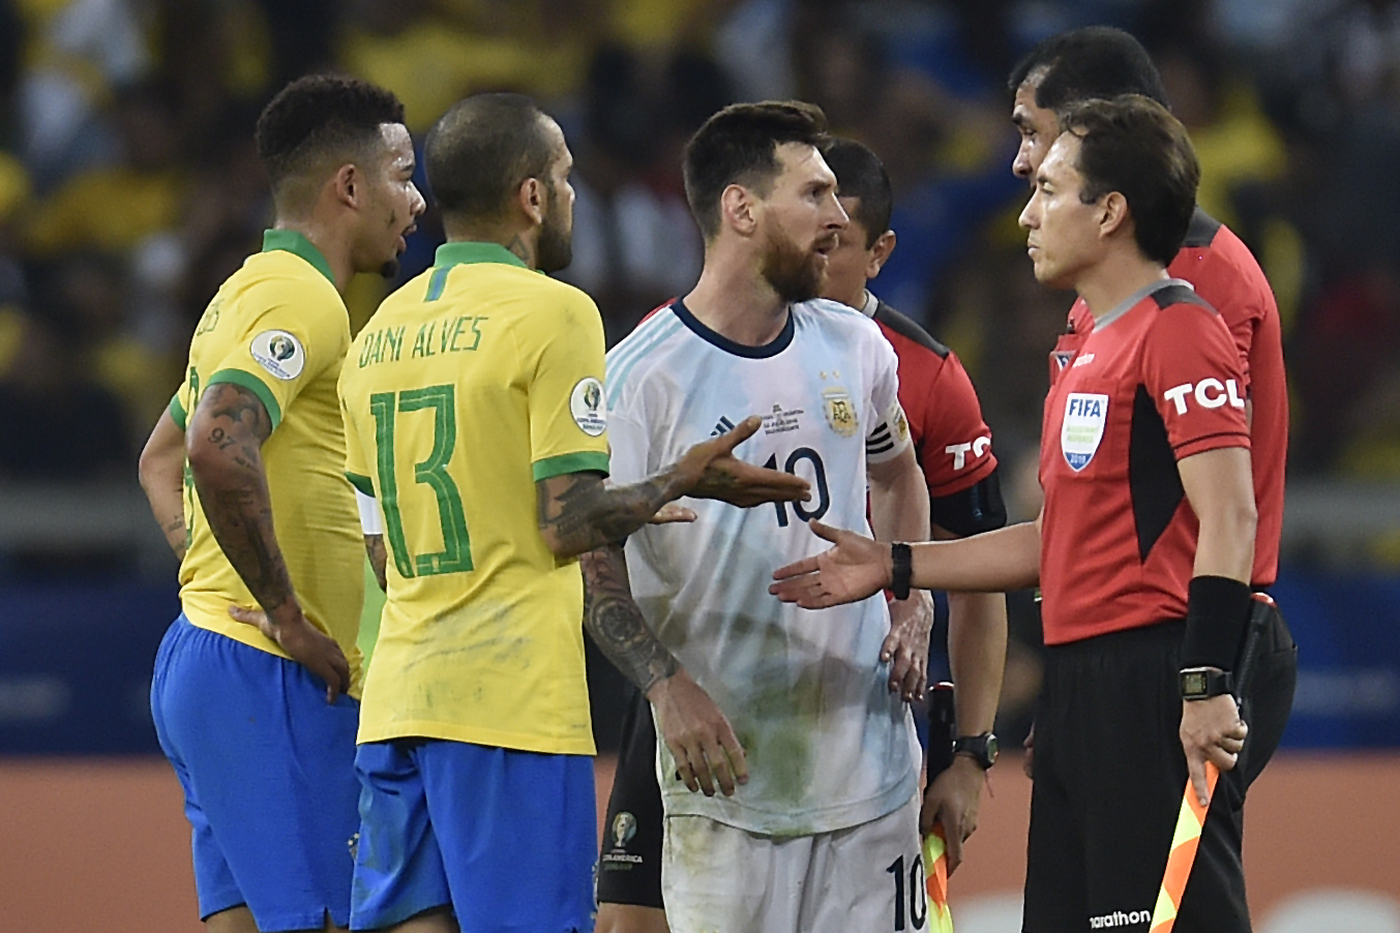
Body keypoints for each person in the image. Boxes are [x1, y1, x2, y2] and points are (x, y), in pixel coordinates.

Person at [773, 95, 1290, 933]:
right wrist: (894, 563)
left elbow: (1231, 516)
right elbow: (1058, 542)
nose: (1027, 213)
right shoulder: (1092, 346)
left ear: (1111, 211)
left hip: (1154, 678)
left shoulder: (1181, 330)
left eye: (1050, 191)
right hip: (1082, 684)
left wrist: (1204, 684)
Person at [335, 92, 809, 933]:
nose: (572, 196)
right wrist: (678, 479)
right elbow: (569, 521)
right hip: (506, 703)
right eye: (564, 177)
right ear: (530, 196)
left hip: (399, 697)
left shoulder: (376, 332)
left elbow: (376, 546)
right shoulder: (555, 312)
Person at [593, 134, 1009, 933]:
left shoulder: (857, 346)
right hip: (727, 781)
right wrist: (664, 688)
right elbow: (589, 556)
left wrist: (907, 592)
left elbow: (898, 474)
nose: (833, 217)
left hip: (872, 776)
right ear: (740, 208)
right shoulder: (641, 373)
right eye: (814, 196)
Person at [137, 74, 425, 933]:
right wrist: (284, 611)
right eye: (403, 176)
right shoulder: (303, 299)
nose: (416, 200)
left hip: (210, 660)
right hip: (268, 674)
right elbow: (213, 442)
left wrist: (210, 572)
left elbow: (158, 459)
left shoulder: (243, 290)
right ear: (349, 185)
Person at [1005, 21, 1296, 805]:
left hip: (1185, 651)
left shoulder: (1195, 287)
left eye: (1033, 133)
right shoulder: (1107, 294)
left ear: (1093, 132)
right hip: (1114, 656)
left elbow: (1215, 510)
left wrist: (1193, 679)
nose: (1022, 161)